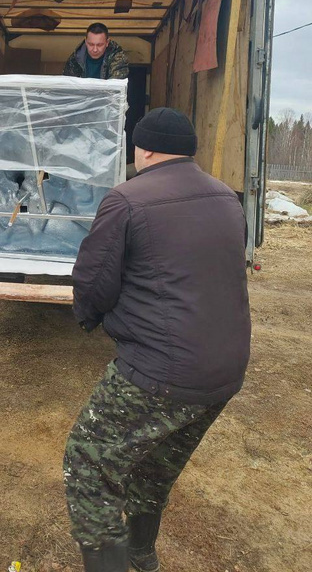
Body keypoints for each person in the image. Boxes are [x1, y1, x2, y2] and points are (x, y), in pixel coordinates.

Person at [63, 108, 251, 572]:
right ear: (190, 149)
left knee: (89, 464)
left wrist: (88, 318)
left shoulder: (126, 199)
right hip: (225, 369)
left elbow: (95, 283)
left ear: (142, 148)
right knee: (155, 464)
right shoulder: (228, 198)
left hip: (161, 371)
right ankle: (142, 554)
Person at [63, 23, 129, 80]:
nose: (95, 49)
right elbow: (67, 85)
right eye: (91, 44)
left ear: (107, 42)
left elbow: (116, 86)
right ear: (85, 41)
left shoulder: (117, 57)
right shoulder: (76, 58)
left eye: (99, 45)